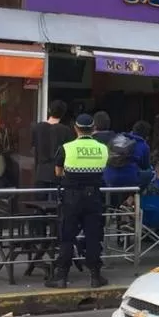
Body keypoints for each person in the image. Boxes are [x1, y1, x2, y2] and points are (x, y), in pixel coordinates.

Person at [48, 114, 109, 289]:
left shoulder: (67, 148)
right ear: (93, 128)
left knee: (67, 236)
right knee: (93, 237)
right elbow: (102, 170)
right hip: (94, 198)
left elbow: (58, 173)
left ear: (75, 128)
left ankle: (61, 277)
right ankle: (96, 277)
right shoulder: (102, 148)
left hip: (71, 197)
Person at [30, 100, 74, 196]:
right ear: (63, 113)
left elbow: (33, 149)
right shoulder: (66, 130)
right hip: (58, 173)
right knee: (57, 206)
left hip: (40, 172)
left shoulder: (37, 128)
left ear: (49, 110)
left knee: (39, 205)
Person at [104, 120, 153, 196]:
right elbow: (145, 166)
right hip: (129, 180)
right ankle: (132, 198)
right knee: (150, 173)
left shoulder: (118, 138)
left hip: (108, 178)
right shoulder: (143, 145)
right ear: (147, 136)